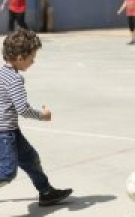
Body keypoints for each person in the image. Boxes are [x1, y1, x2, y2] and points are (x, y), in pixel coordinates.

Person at [0, 29, 73, 206]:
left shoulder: (2, 73)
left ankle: (46, 192)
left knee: (30, 159)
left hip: (11, 131)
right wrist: (43, 116)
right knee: (8, 171)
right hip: (4, 134)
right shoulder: (14, 80)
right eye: (32, 57)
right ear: (19, 58)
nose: (34, 61)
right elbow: (23, 110)